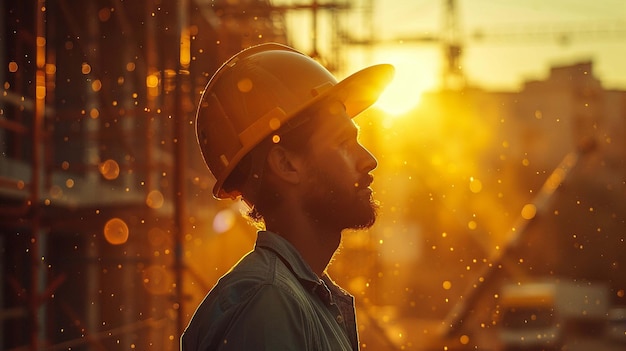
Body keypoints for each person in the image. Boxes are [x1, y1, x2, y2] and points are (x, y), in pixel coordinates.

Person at [181, 42, 394, 350]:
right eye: (343, 143)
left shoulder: (298, 299)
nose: (368, 160)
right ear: (285, 164)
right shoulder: (269, 304)